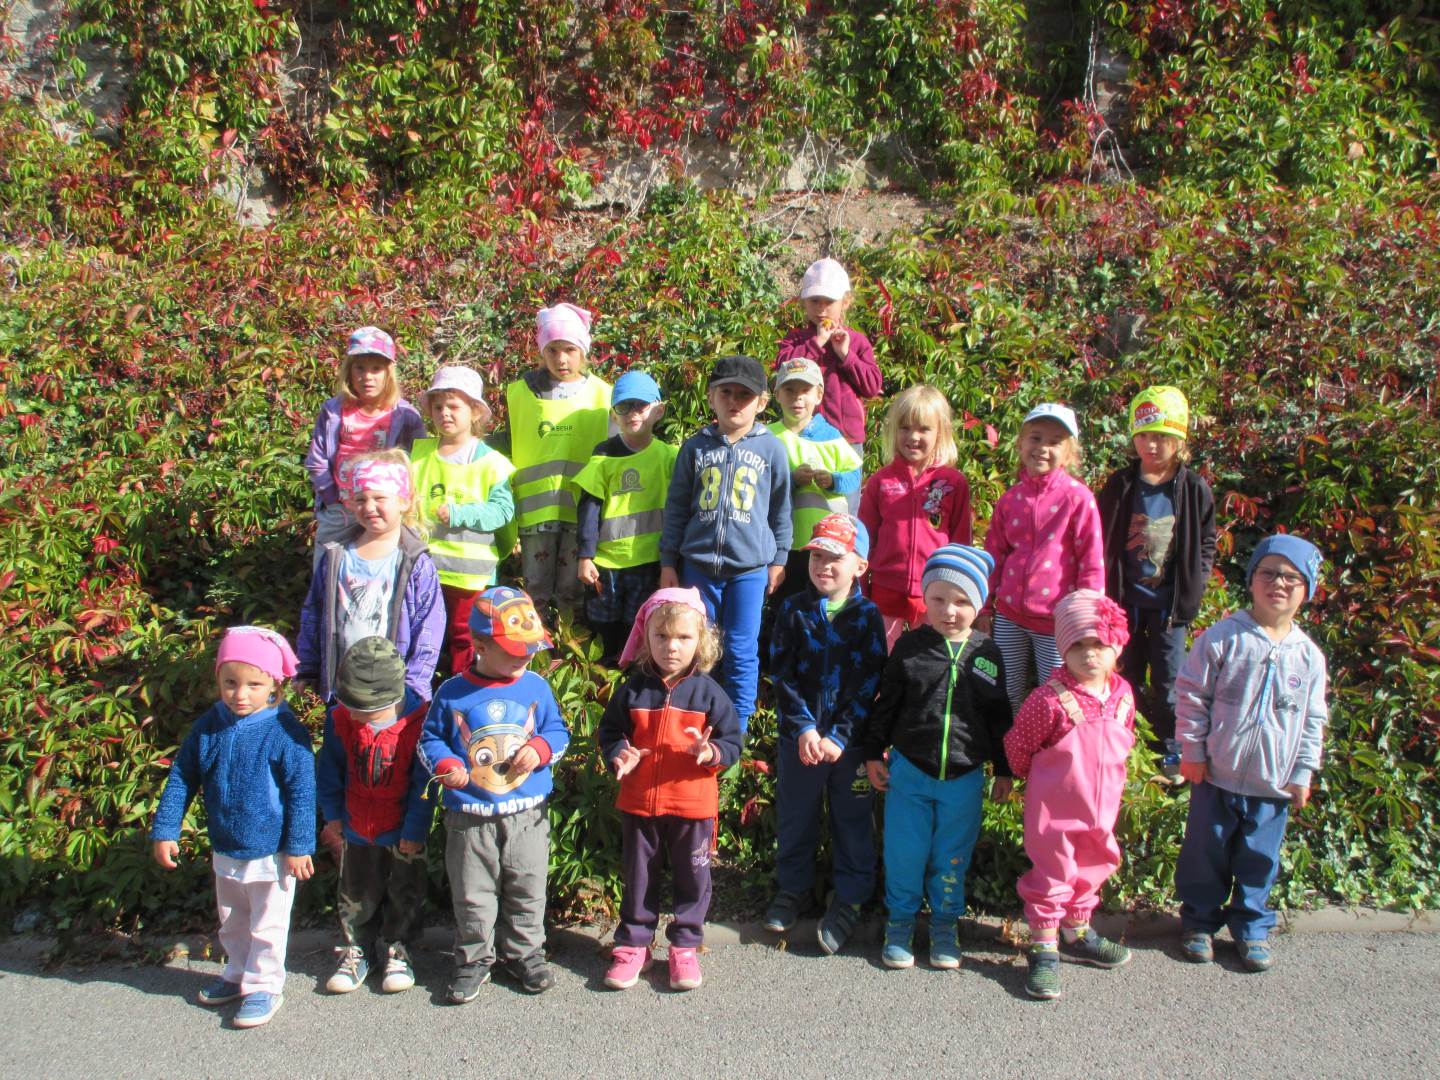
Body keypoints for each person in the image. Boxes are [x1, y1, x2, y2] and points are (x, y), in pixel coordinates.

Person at [1173, 535, 1328, 972]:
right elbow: (1192, 695)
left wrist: (1302, 772)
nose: (1278, 583)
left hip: (1272, 783)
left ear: (1307, 589)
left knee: (1259, 860)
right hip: (1215, 775)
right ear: (1252, 579)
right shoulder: (1223, 638)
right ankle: (1198, 922)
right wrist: (1192, 750)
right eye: (1268, 573)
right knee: (1204, 854)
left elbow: (1313, 720)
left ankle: (1251, 927)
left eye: (1291, 577)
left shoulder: (1309, 657)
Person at [150, 626, 315, 1029]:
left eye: (253, 685)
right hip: (226, 844)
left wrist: (299, 846)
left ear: (274, 684)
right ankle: (238, 971)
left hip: (273, 852)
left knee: (267, 923)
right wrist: (166, 829)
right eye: (230, 683)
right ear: (218, 680)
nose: (240, 694)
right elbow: (183, 776)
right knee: (233, 919)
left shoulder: (284, 731)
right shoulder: (209, 726)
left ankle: (264, 985)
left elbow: (302, 792)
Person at [861, 545, 1012, 971]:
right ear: (924, 598)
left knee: (951, 856)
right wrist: (873, 752)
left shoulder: (987, 653)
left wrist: (1003, 769)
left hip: (964, 777)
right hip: (910, 771)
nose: (949, 611)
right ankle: (901, 923)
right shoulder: (910, 648)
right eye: (939, 599)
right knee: (905, 853)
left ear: (978, 604)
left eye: (962, 601)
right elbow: (887, 704)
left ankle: (945, 925)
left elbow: (999, 716)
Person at [418, 586, 570, 1001]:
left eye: (531, 647)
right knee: (472, 893)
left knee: (528, 886)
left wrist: (541, 749)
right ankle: (473, 959)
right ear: (480, 645)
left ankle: (525, 953)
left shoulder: (536, 687)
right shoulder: (453, 692)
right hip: (470, 816)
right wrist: (446, 765)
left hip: (528, 815)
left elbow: (558, 732)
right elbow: (430, 741)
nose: (526, 656)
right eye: (515, 649)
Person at [598, 589, 743, 991]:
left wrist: (711, 752)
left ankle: (685, 946)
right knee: (638, 877)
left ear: (701, 641)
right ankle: (634, 945)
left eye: (683, 637)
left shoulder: (710, 693)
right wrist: (619, 753)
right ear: (646, 638)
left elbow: (733, 743)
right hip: (640, 802)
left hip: (692, 805)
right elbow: (610, 732)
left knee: (693, 879)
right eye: (661, 636)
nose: (671, 646)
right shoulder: (632, 690)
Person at [1005, 589, 1137, 1001]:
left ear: (1117, 645)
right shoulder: (1049, 699)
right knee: (1052, 873)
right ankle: (1044, 947)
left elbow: (1125, 741)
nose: (1089, 654)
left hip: (1101, 809)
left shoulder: (1122, 695)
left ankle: (1077, 931)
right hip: (1055, 812)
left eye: (1099, 644)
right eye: (1077, 645)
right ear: (1062, 649)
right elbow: (1018, 746)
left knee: (1094, 863)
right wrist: (1031, 781)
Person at [764, 514, 887, 955]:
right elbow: (782, 674)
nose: (823, 566)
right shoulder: (793, 610)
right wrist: (803, 729)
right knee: (796, 816)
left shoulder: (867, 616)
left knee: (852, 821)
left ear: (860, 566)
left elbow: (869, 681)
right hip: (799, 742)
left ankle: (851, 897)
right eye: (817, 556)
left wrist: (839, 735)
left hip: (848, 747)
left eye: (835, 558)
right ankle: (793, 889)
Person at [658, 355, 791, 733]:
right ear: (711, 396)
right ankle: (693, 721)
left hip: (749, 570)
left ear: (762, 402)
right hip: (698, 566)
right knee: (697, 648)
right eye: (726, 392)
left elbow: (781, 509)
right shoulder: (696, 447)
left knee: (741, 650)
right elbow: (676, 507)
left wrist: (779, 559)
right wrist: (668, 561)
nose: (734, 401)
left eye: (744, 395)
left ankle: (737, 730)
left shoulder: (771, 449)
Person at [1097, 386, 1216, 778]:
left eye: (1162, 437)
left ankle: (1171, 750)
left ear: (1179, 440)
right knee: (1123, 675)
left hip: (1169, 606)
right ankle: (1123, 745)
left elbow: (1206, 541)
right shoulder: (1121, 484)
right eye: (1145, 435)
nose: (1152, 444)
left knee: (1169, 682)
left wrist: (1196, 585)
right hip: (1125, 602)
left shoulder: (1192, 488)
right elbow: (1101, 536)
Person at [316, 637, 432, 996]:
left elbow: (424, 783)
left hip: (403, 830)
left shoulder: (417, 723)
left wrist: (415, 829)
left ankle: (399, 949)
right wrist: (333, 815)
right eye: (348, 706)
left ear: (391, 701)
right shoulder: (340, 719)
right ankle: (359, 949)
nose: (355, 716)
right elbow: (330, 770)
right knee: (356, 893)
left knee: (405, 892)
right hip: (357, 826)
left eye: (363, 711)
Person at [983, 402, 1104, 714]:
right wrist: (984, 607)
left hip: (1057, 621)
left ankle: (1053, 745)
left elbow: (1091, 561)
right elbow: (994, 556)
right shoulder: (1010, 500)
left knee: (1058, 694)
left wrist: (1087, 618)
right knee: (1006, 689)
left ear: (1069, 453)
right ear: (1021, 443)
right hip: (1009, 615)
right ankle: (1009, 743)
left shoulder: (1078, 499)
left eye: (1054, 442)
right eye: (1035, 438)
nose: (1042, 448)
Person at [297, 451, 444, 704]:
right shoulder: (336, 556)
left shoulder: (415, 562)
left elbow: (429, 628)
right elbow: (314, 611)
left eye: (379, 498)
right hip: (341, 689)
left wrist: (415, 686)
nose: (369, 507)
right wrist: (308, 667)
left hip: (394, 695)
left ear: (404, 501)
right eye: (360, 499)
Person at [505, 303, 612, 620]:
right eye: (552, 350)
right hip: (535, 514)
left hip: (581, 513)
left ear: (583, 351)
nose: (561, 359)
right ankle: (532, 645)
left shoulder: (602, 395)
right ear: (542, 351)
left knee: (572, 591)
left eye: (569, 350)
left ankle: (568, 645)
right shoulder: (521, 393)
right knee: (534, 590)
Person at [410, 365, 516, 673]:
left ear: (475, 412)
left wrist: (460, 513)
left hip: (469, 577)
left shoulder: (492, 463)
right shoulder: (419, 456)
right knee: (423, 635)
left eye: (453, 406)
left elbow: (502, 511)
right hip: (424, 570)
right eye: (438, 407)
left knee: (464, 637)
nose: (444, 413)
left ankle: (463, 686)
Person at [859, 385, 973, 649]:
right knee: (883, 659)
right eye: (905, 428)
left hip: (935, 595)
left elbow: (961, 544)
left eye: (923, 429)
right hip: (886, 592)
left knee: (928, 659)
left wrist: (959, 594)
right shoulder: (881, 482)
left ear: (940, 432)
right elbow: (864, 541)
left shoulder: (953, 483)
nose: (913, 436)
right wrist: (861, 591)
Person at [574, 370, 677, 663]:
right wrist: (585, 556)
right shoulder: (604, 455)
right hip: (606, 564)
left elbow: (679, 509)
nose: (632, 413)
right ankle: (600, 680)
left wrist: (672, 560)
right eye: (624, 406)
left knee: (639, 627)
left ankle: (632, 679)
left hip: (648, 561)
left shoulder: (670, 456)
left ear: (659, 411)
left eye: (641, 405)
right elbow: (589, 508)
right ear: (613, 414)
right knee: (601, 627)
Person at [304, 326, 426, 570]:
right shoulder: (334, 410)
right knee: (327, 570)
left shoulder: (405, 415)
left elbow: (418, 462)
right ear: (349, 371)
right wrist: (332, 498)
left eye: (376, 369)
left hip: (384, 510)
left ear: (389, 372)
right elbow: (317, 460)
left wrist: (401, 502)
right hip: (341, 510)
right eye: (360, 368)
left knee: (387, 569)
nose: (367, 376)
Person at [775, 257, 882, 509]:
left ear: (845, 301)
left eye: (829, 302)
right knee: (800, 502)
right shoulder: (796, 340)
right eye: (815, 301)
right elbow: (783, 369)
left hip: (846, 439)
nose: (821, 309)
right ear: (803, 302)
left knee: (844, 504)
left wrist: (846, 355)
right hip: (800, 436)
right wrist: (816, 344)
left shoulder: (856, 341)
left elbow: (872, 385)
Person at [765, 357, 862, 613]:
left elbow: (854, 477)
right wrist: (791, 480)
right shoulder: (768, 436)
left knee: (822, 607)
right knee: (784, 608)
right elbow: (761, 483)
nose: (797, 398)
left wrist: (833, 481)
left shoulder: (832, 437)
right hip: (783, 545)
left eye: (805, 391)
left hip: (825, 545)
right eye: (789, 390)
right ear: (777, 395)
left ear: (819, 395)